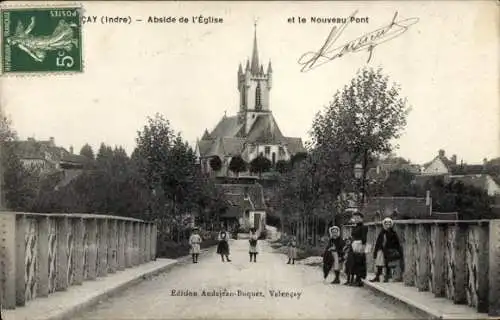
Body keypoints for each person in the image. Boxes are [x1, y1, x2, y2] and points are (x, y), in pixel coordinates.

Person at [370, 217, 403, 282]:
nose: (387, 225)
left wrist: (398, 251)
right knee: (379, 264)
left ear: (391, 224)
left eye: (389, 223)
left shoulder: (393, 233)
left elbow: (397, 243)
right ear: (384, 224)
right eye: (386, 223)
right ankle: (377, 277)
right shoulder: (382, 232)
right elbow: (378, 242)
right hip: (381, 250)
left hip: (389, 250)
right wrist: (375, 252)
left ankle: (387, 277)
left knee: (388, 264)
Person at [350, 212, 368, 286]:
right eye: (355, 218)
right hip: (354, 244)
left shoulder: (364, 227)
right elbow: (352, 236)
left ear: (361, 218)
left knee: (360, 261)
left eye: (358, 218)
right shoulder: (355, 227)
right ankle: (356, 278)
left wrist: (362, 249)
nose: (356, 219)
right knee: (354, 262)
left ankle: (359, 279)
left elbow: (364, 239)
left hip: (360, 244)